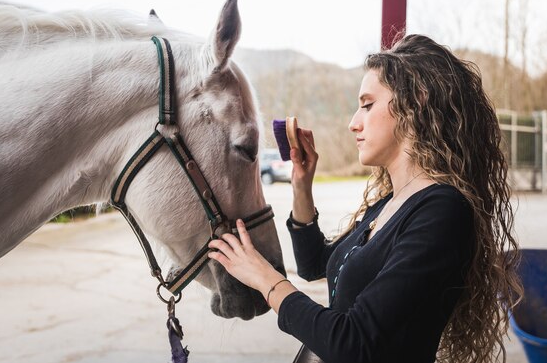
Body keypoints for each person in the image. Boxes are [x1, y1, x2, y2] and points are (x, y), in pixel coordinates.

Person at [207, 34, 522, 363]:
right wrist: (302, 185)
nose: (353, 123)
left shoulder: (442, 212)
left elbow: (353, 343)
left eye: (367, 105)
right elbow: (316, 265)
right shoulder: (390, 202)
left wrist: (263, 277)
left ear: (415, 102)